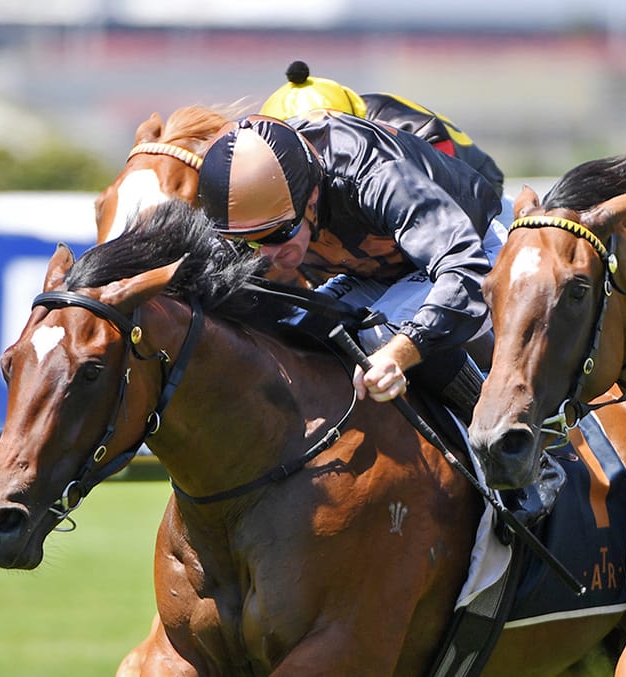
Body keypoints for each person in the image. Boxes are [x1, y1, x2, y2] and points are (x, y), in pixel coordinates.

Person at [196, 112, 564, 523]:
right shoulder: (252, 192)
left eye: (279, 234)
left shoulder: (374, 175)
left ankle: (525, 457)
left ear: (312, 197)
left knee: (380, 335)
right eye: (250, 241)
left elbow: (464, 271)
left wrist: (400, 352)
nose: (267, 254)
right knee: (296, 334)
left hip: (477, 249)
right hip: (376, 270)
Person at [259, 60, 505, 195]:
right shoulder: (353, 125)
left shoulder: (409, 129)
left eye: (321, 140)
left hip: (480, 189)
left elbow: (448, 197)